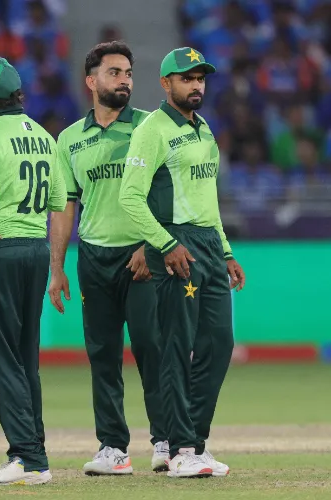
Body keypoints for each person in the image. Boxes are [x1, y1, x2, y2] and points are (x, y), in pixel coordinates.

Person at [119, 47, 246, 478]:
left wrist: (225, 250)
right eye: (187, 78)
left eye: (201, 78)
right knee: (176, 347)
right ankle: (179, 449)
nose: (196, 86)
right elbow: (130, 198)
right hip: (176, 243)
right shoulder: (152, 130)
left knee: (219, 343)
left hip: (208, 243)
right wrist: (165, 244)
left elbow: (207, 201)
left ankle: (196, 443)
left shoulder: (204, 128)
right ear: (166, 83)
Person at [49, 41, 168, 476]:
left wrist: (150, 246)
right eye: (115, 72)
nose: (125, 80)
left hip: (142, 257)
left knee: (152, 347)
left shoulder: (150, 128)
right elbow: (64, 206)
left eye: (129, 73)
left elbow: (165, 194)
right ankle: (113, 448)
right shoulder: (69, 140)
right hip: (94, 258)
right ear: (91, 80)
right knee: (102, 355)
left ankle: (166, 439)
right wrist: (57, 267)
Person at [0, 56, 66, 485]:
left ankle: (27, 458)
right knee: (25, 358)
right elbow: (58, 199)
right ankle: (33, 451)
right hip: (35, 251)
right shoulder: (43, 135)